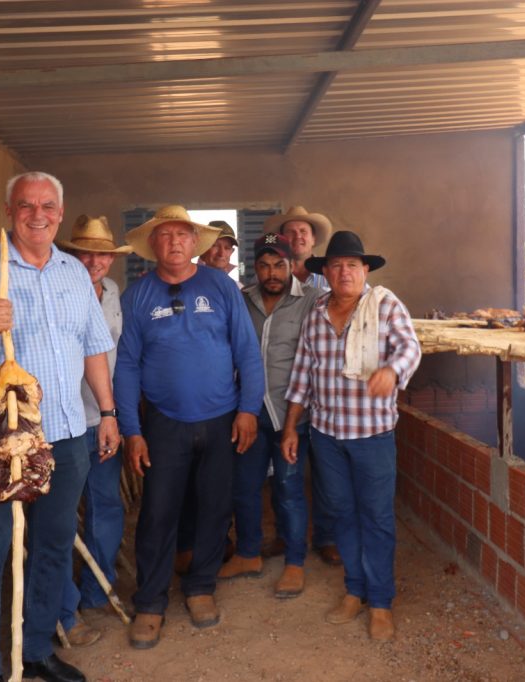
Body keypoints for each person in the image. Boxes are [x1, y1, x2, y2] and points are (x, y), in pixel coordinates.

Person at [0, 172, 121, 682]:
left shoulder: (72, 273)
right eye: (25, 205)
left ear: (60, 213)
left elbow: (93, 348)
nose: (36, 214)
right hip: (1, 441)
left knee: (54, 544)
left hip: (66, 433)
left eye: (47, 206)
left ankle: (36, 649)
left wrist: (107, 412)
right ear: (8, 209)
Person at [114, 205, 264, 649]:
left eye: (183, 235)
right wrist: (131, 429)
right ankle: (151, 603)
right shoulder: (138, 296)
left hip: (221, 418)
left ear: (193, 242)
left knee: (216, 507)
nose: (175, 242)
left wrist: (249, 410)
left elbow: (247, 352)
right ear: (153, 245)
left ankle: (200, 587)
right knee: (158, 511)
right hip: (164, 423)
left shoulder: (219, 286)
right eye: (165, 236)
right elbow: (126, 367)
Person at [281, 230, 421, 642]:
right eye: (337, 265)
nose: (345, 272)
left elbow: (410, 347)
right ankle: (354, 591)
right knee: (341, 512)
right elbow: (302, 375)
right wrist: (291, 427)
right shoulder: (317, 312)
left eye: (352, 266)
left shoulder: (384, 305)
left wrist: (392, 371)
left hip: (373, 434)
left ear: (365, 271)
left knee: (376, 518)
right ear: (325, 272)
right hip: (326, 435)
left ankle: (380, 602)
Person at [218, 233, 320, 599]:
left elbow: (315, 360)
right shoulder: (243, 299)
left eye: (279, 264)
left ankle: (295, 562)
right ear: (255, 268)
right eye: (264, 265)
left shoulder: (312, 301)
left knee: (290, 488)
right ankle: (248, 553)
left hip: (294, 413)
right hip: (251, 412)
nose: (272, 273)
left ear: (293, 265)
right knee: (244, 488)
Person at [56, 215, 133, 644]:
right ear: (69, 254)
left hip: (102, 421)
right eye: (85, 252)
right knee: (60, 520)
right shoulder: (59, 290)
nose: (94, 260)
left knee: (106, 510)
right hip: (64, 425)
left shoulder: (113, 293)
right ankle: (64, 611)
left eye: (101, 254)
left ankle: (94, 591)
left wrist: (114, 414)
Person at [263, 206, 340, 565]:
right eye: (290, 232)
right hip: (283, 396)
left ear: (312, 239)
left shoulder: (328, 279)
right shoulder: (272, 277)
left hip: (323, 395)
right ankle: (285, 534)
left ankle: (325, 536)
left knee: (323, 473)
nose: (297, 238)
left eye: (303, 232)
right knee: (286, 472)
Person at [197, 219, 241, 284]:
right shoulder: (189, 283)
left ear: (232, 252)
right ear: (203, 249)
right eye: (215, 246)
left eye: (227, 248)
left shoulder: (237, 287)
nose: (221, 254)